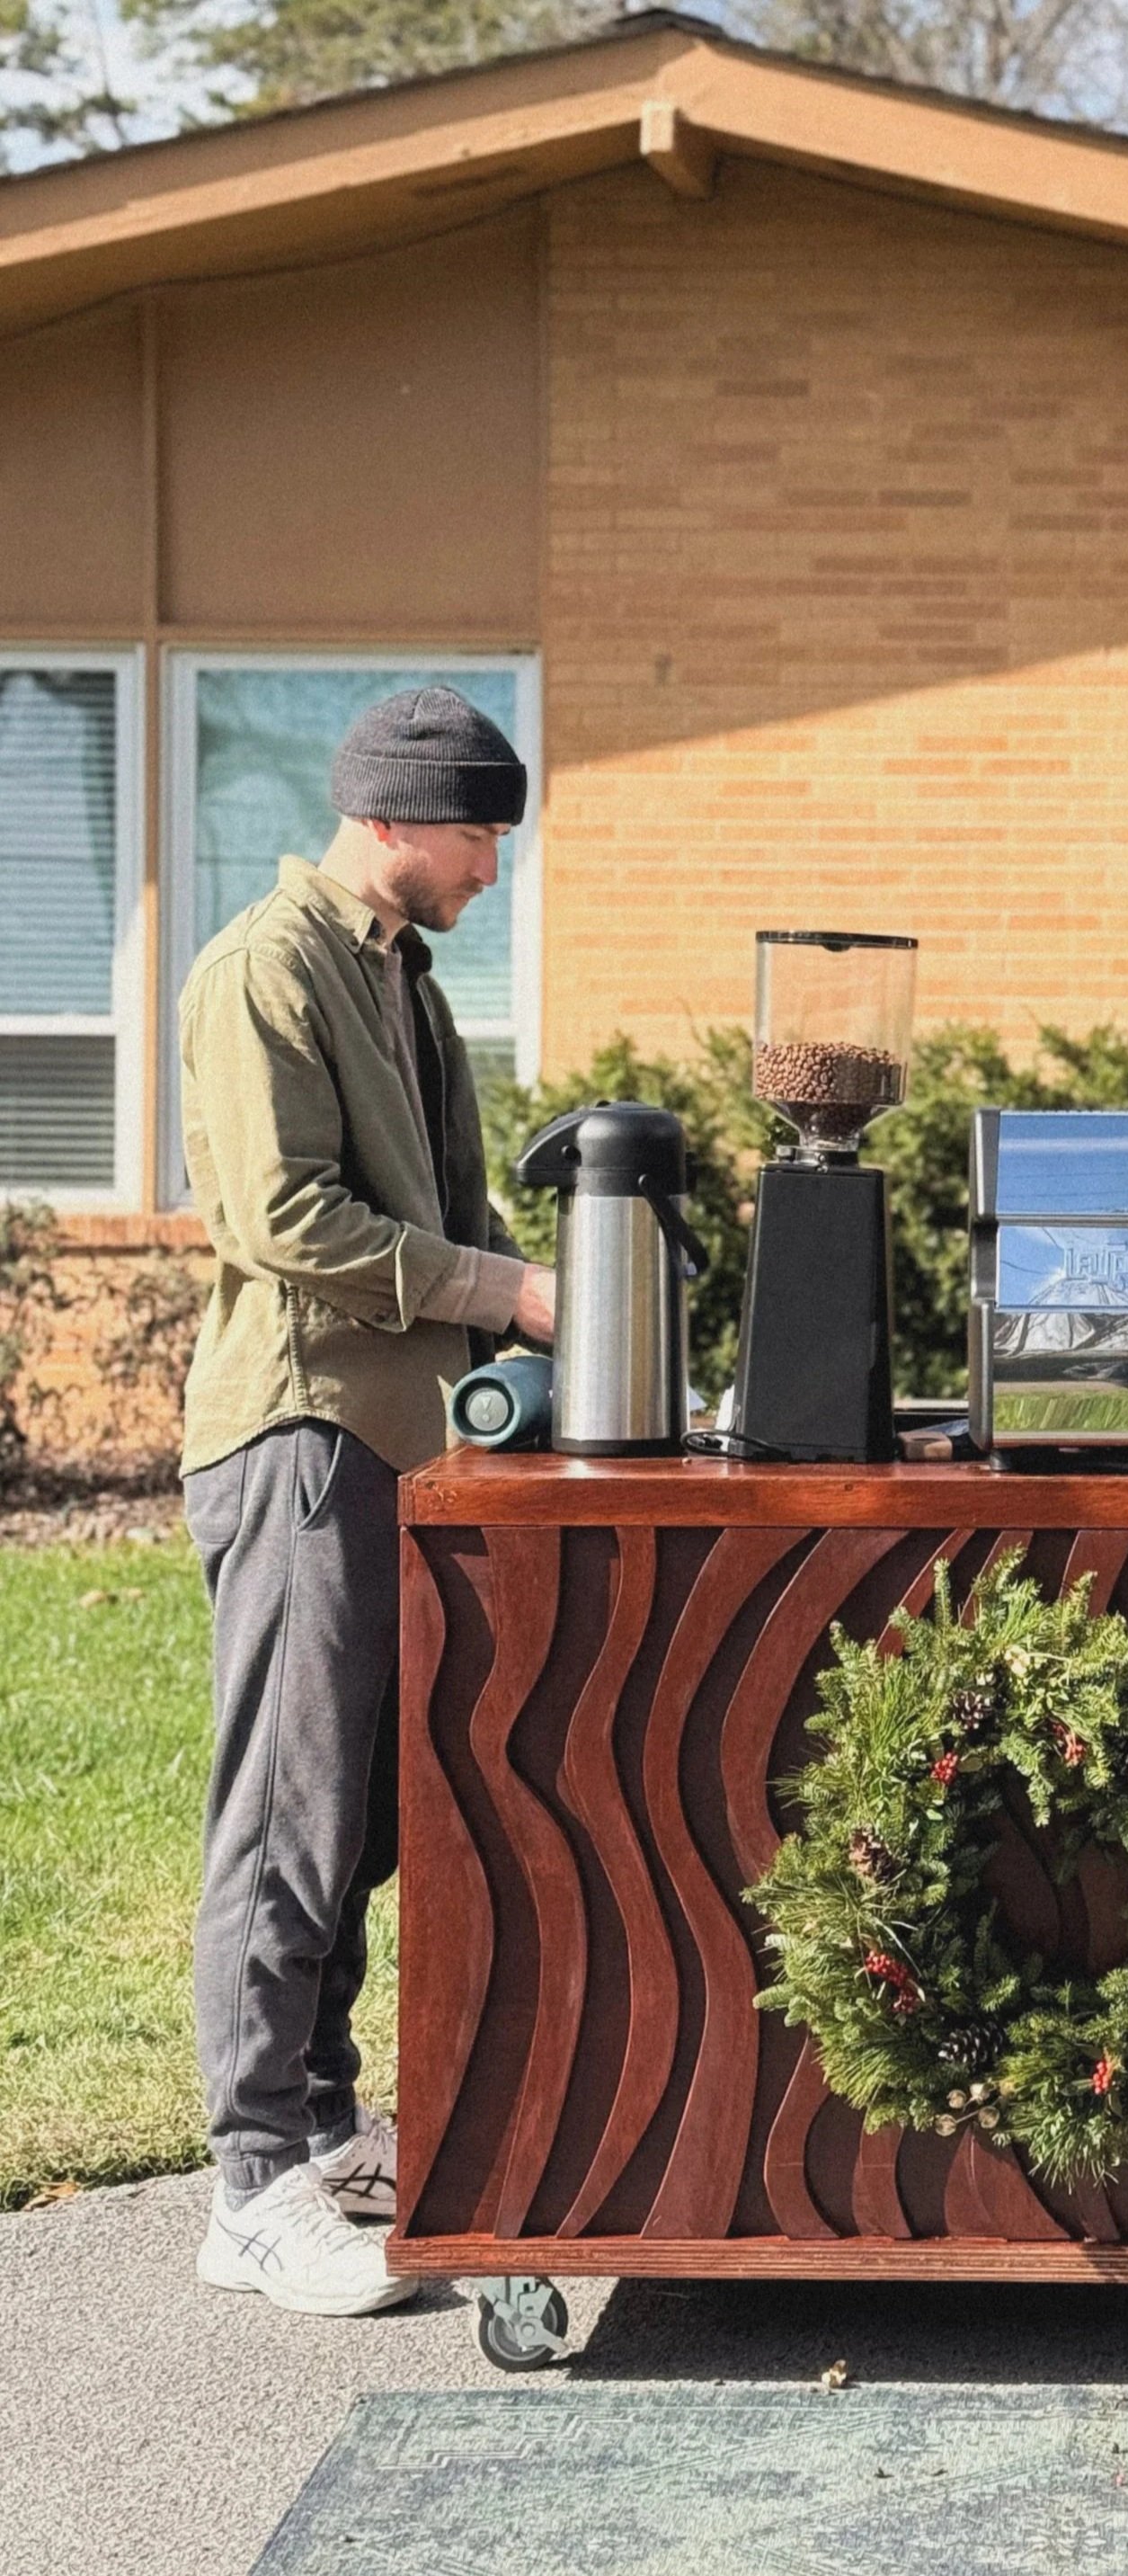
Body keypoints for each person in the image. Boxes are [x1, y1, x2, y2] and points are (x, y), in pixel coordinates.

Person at [178, 688, 556, 2317]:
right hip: (302, 1433)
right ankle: (252, 2179)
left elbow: (452, 1212)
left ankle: (326, 2127)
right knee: (290, 1806)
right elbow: (282, 1218)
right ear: (393, 816)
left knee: (374, 1813)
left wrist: (552, 1334)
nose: (490, 870)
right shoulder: (264, 969)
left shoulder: (407, 983)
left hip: (403, 1441)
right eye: (476, 835)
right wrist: (506, 1289)